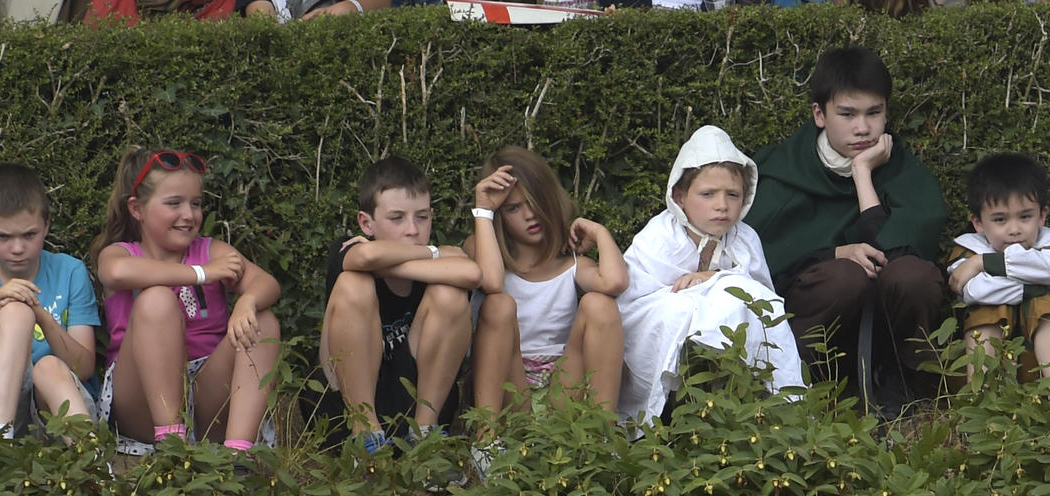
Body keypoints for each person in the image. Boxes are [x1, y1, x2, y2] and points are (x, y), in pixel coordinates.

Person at [750, 45, 949, 398]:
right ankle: (805, 385)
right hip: (816, 321)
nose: (863, 128)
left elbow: (903, 249)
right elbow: (764, 262)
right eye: (847, 114)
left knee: (914, 276)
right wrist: (836, 252)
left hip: (890, 328)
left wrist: (862, 173)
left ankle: (905, 383)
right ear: (819, 114)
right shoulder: (783, 169)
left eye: (874, 112)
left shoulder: (901, 168)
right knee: (842, 277)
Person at [91, 147, 282, 451]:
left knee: (264, 318)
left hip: (208, 391)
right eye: (173, 203)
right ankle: (172, 447)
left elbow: (266, 283)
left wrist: (247, 302)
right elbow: (114, 271)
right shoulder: (123, 253)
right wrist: (201, 274)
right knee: (156, 300)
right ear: (137, 209)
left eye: (195, 203)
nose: (188, 215)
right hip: (140, 397)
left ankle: (238, 452)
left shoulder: (211, 250)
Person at [617, 127, 805, 424]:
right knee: (683, 307)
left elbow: (760, 298)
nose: (722, 205)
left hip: (727, 340)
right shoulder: (660, 236)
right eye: (708, 194)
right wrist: (700, 295)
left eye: (733, 195)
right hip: (663, 325)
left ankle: (749, 407)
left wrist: (716, 279)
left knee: (731, 299)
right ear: (679, 196)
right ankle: (666, 411)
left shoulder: (745, 238)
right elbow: (633, 302)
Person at [323, 158, 481, 443]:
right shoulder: (349, 247)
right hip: (347, 410)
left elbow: (472, 272)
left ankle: (425, 441)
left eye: (422, 217)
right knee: (353, 282)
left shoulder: (436, 252)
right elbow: (367, 257)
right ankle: (366, 440)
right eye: (397, 218)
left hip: (417, 405)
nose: (412, 229)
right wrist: (435, 255)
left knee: (450, 293)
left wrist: (395, 263)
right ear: (365, 223)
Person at [469, 147, 630, 421]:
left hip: (563, 387)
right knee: (498, 303)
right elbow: (493, 281)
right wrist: (484, 212)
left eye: (535, 202)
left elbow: (615, 282)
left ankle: (601, 440)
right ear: (500, 215)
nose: (529, 215)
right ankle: (488, 442)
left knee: (599, 304)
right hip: (508, 383)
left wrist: (599, 232)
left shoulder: (572, 265)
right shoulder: (483, 251)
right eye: (512, 208)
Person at [0, 164, 99, 438]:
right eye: (3, 237)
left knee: (47, 365)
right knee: (13, 311)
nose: (18, 248)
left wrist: (39, 313)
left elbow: (85, 368)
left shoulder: (70, 272)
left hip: (58, 404)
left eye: (29, 235)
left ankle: (90, 460)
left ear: (46, 225)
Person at [948, 152, 1050, 383]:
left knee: (1046, 305)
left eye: (1025, 217)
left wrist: (983, 263)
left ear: (1041, 216)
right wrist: (1040, 286)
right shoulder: (967, 248)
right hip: (992, 356)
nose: (1014, 229)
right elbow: (976, 291)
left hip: (1034, 364)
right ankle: (981, 397)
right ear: (978, 222)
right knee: (989, 306)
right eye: (1000, 220)